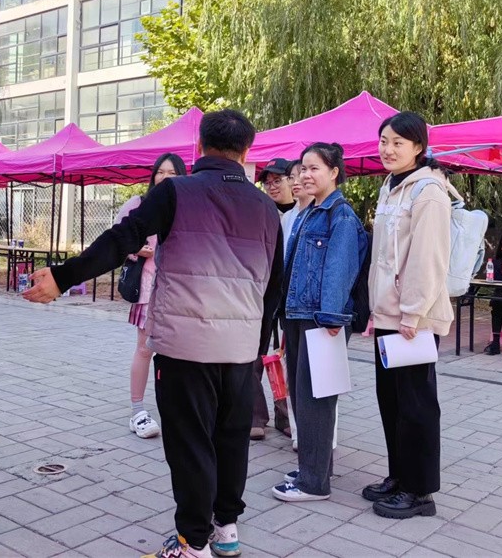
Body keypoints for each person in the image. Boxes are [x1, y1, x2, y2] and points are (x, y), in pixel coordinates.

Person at [23, 109, 283, 558]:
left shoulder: (176, 192)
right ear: (247, 151)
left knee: (190, 444)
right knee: (230, 440)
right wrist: (256, 348)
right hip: (241, 349)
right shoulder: (266, 208)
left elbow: (121, 239)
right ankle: (226, 530)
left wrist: (64, 277)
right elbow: (275, 286)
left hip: (185, 346)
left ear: (198, 147)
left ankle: (192, 543)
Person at [364, 112, 453, 520]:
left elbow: (427, 258)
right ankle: (399, 476)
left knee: (416, 406)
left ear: (418, 147)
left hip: (414, 318)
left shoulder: (428, 192)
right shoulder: (391, 186)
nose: (388, 149)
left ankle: (420, 493)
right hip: (389, 314)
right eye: (384, 140)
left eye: (398, 142)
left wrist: (413, 313)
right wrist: (376, 309)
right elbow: (383, 257)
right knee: (391, 401)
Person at [271, 143, 368, 503]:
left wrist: (330, 318)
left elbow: (340, 271)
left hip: (321, 320)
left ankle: (314, 483)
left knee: (316, 400)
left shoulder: (340, 216)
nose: (306, 175)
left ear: (334, 173)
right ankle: (314, 469)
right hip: (299, 315)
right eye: (303, 169)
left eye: (314, 168)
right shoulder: (312, 211)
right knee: (304, 397)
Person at [115, 153, 187, 439]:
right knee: (145, 349)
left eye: (172, 173)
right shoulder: (138, 204)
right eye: (161, 172)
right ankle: (138, 412)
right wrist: (135, 250)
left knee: (177, 353)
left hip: (179, 290)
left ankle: (176, 410)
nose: (165, 177)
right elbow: (116, 237)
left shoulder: (188, 206)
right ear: (153, 175)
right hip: (148, 288)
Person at [251, 157, 295, 440]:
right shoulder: (261, 211)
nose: (272, 186)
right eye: (267, 183)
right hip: (262, 294)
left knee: (285, 359)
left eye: (277, 180)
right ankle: (255, 415)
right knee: (254, 355)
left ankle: (285, 414)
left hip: (290, 298)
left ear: (292, 179)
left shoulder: (303, 211)